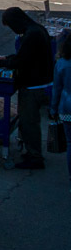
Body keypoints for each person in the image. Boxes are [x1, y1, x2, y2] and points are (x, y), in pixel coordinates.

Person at [0, 6, 53, 168]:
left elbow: (22, 61)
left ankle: (35, 158)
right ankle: (31, 152)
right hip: (41, 82)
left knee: (29, 122)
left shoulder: (31, 35)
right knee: (29, 122)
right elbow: (25, 55)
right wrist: (7, 57)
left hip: (34, 86)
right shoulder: (36, 30)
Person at [49, 31, 71, 187]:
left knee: (70, 143)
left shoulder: (62, 63)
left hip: (67, 107)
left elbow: (56, 89)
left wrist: (53, 109)